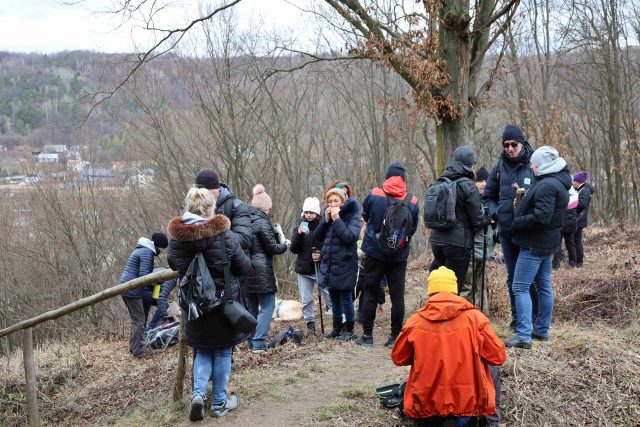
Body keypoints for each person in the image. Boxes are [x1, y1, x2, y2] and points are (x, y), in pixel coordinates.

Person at [167, 187, 252, 420]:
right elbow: (245, 267)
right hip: (223, 306)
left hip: (194, 308)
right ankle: (218, 404)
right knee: (223, 352)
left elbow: (174, 264)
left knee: (202, 350)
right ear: (210, 208)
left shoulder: (176, 240)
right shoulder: (225, 235)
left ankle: (197, 395)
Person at [391, 267, 506, 427]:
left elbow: (398, 358)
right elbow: (498, 357)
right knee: (491, 367)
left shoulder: (414, 322)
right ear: (455, 291)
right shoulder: (476, 318)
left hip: (426, 409)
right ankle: (490, 423)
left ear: (430, 292)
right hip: (467, 407)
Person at [504, 146, 570, 349]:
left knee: (520, 287)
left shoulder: (547, 186)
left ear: (542, 165)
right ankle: (541, 330)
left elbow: (542, 217)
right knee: (543, 285)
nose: (531, 166)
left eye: (534, 163)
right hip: (547, 244)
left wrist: (518, 221)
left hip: (534, 244)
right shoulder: (558, 182)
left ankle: (523, 334)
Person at [357, 161, 419, 348]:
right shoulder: (412, 200)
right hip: (398, 255)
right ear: (403, 179)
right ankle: (394, 337)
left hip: (375, 253)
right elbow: (413, 228)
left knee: (369, 292)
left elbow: (366, 217)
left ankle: (367, 337)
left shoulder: (374, 194)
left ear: (386, 177)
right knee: (397, 295)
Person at [483, 124, 538, 331]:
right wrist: (497, 213)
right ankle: (517, 319)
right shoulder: (498, 166)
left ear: (522, 143)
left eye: (514, 144)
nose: (510, 148)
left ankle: (535, 319)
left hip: (529, 230)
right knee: (513, 276)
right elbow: (488, 197)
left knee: (530, 278)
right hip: (507, 231)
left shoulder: (534, 164)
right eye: (506, 145)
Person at [428, 146, 491, 292]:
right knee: (454, 288)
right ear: (471, 166)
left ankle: (436, 311)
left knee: (440, 286)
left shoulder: (442, 180)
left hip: (436, 242)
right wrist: (489, 219)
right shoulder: (468, 185)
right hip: (457, 244)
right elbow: (477, 220)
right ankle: (449, 314)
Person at [313, 187, 361, 340]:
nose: (332, 204)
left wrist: (337, 219)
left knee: (346, 298)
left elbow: (349, 237)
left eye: (336, 201)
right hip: (330, 264)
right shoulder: (328, 218)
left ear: (343, 202)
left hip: (346, 263)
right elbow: (317, 237)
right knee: (334, 298)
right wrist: (326, 222)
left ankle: (350, 330)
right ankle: (336, 328)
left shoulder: (352, 216)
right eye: (330, 201)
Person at [246, 184, 289, 353]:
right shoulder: (263, 223)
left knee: (251, 307)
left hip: (245, 269)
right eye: (269, 209)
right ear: (264, 208)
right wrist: (284, 244)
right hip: (261, 271)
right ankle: (258, 342)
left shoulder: (243, 221)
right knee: (268, 305)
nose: (269, 212)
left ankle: (251, 341)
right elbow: (272, 248)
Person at [119, 232, 168, 358]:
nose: (162, 251)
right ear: (157, 246)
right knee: (139, 320)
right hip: (132, 289)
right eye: (162, 248)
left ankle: (134, 347)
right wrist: (156, 283)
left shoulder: (143, 250)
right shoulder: (147, 253)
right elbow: (144, 277)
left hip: (128, 287)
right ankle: (138, 351)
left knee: (137, 320)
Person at [290, 196, 331, 334]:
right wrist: (299, 235)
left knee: (328, 295)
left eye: (311, 213)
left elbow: (328, 246)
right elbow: (294, 249)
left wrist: (321, 255)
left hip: (319, 268)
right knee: (306, 299)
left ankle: (339, 320)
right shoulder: (299, 228)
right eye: (306, 212)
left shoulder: (323, 227)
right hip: (304, 269)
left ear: (317, 213)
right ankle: (310, 324)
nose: (308, 215)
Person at [460, 166, 496, 305]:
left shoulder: (490, 201)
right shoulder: (469, 200)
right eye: (479, 181)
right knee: (466, 287)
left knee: (480, 288)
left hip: (485, 252)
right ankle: (463, 318)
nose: (484, 184)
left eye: (486, 181)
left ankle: (480, 317)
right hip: (470, 252)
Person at [194, 169, 252, 252]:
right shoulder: (194, 206)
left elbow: (244, 240)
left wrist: (212, 236)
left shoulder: (237, 206)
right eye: (201, 194)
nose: (205, 197)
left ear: (217, 189)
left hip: (231, 262)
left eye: (208, 193)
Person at [552, 185, 578, 269]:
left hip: (561, 224)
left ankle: (556, 264)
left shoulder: (561, 195)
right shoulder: (575, 196)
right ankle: (573, 262)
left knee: (557, 244)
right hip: (571, 224)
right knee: (570, 243)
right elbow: (579, 208)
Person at [572, 171, 595, 267]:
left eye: (574, 181)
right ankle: (575, 260)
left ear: (578, 181)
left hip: (579, 219)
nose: (572, 183)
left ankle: (579, 261)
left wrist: (571, 204)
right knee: (574, 240)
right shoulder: (580, 189)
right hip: (577, 219)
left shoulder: (584, 191)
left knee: (577, 240)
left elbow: (582, 204)